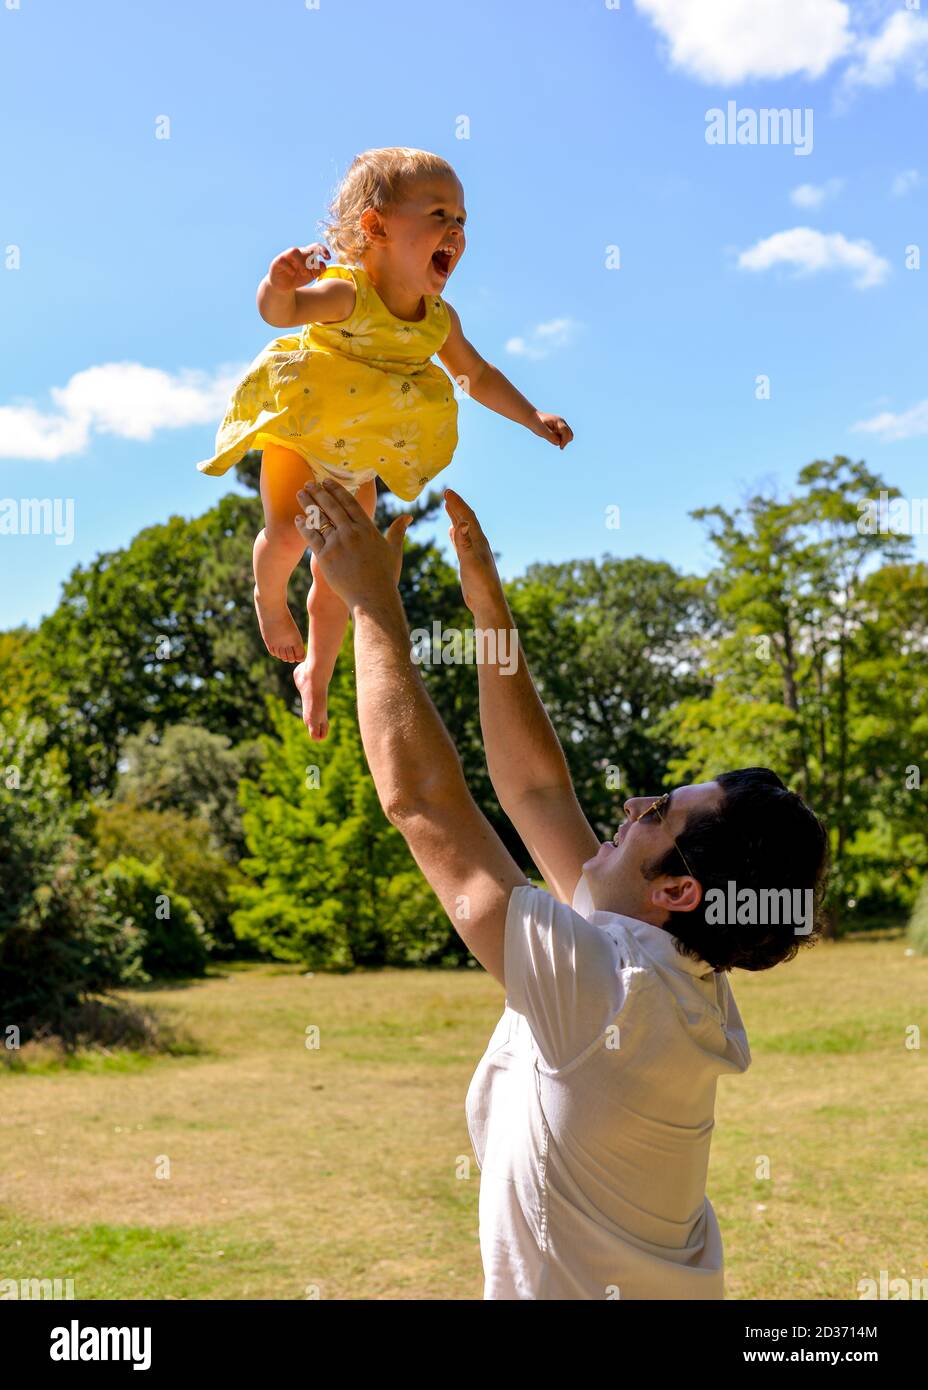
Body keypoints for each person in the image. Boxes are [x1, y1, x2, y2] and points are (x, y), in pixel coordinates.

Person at [292, 478, 829, 1301]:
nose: (631, 806)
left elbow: (421, 803)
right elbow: (539, 794)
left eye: (656, 814)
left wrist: (372, 605)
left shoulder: (609, 992)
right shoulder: (675, 975)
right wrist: (487, 614)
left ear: (680, 891)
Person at [196, 146, 572, 739]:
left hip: (359, 462)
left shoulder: (436, 319)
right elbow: (284, 313)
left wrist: (531, 416)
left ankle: (316, 674)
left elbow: (477, 376)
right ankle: (269, 600)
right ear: (375, 227)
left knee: (350, 575)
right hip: (303, 435)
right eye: (439, 214)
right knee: (291, 533)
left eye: (462, 220)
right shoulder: (349, 293)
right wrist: (279, 284)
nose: (456, 230)